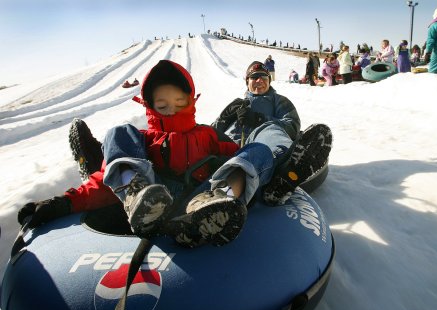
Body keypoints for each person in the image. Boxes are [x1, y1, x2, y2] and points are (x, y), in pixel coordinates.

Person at [17, 60, 244, 247]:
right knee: (119, 133)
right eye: (162, 106)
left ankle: (205, 208)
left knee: (249, 154)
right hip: (152, 194)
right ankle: (135, 192)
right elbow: (106, 181)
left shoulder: (208, 134)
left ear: (190, 100)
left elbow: (238, 161)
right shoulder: (142, 139)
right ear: (149, 106)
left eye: (179, 103)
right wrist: (64, 203)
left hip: (196, 199)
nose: (171, 111)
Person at [186, 61, 332, 241]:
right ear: (247, 82)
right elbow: (211, 132)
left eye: (263, 77)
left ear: (269, 81)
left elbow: (292, 126)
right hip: (231, 148)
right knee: (203, 143)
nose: (259, 81)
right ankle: (203, 206)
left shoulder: (279, 101)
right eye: (254, 78)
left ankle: (284, 169)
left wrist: (260, 119)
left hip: (262, 144)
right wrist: (224, 118)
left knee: (269, 132)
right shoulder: (237, 104)